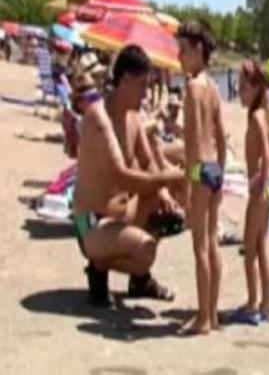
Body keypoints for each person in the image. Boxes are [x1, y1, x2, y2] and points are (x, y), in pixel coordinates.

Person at [73, 48, 185, 307]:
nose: (147, 93)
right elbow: (121, 176)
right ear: (123, 80)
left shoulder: (133, 117)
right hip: (91, 223)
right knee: (145, 251)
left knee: (176, 203)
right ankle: (98, 267)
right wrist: (169, 178)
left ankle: (137, 282)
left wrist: (166, 191)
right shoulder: (99, 119)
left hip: (121, 213)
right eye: (142, 85)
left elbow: (148, 164)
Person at [229, 60, 269, 325]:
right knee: (261, 247)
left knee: (249, 247)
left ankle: (254, 304)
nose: (238, 91)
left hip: (261, 189)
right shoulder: (261, 113)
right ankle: (266, 306)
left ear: (255, 88)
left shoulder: (256, 116)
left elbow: (265, 150)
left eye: (242, 87)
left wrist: (260, 181)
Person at [177, 20, 227, 335]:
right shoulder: (213, 87)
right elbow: (221, 136)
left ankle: (204, 317)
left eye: (182, 50)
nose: (178, 57)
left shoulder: (193, 88)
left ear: (197, 50)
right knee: (212, 242)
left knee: (200, 247)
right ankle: (214, 313)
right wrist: (220, 175)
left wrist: (186, 183)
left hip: (198, 168)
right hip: (215, 168)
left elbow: (192, 141)